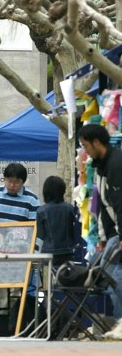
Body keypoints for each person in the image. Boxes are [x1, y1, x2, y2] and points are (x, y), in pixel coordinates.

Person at [79, 124, 122, 321]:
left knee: (113, 273)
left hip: (119, 232)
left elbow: (120, 203)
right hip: (113, 232)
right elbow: (103, 206)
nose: (85, 151)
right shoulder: (99, 166)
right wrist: (103, 237)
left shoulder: (116, 163)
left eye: (86, 146)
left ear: (97, 142)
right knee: (108, 271)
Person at [0, 162, 40, 248]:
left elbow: (35, 227)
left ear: (23, 182)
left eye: (17, 182)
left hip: (18, 250)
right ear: (4, 179)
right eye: (9, 181)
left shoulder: (32, 201)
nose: (12, 185)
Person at [36, 175, 77, 266]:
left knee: (49, 278)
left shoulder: (41, 211)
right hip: (67, 252)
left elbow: (40, 235)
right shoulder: (70, 209)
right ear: (62, 191)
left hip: (48, 253)